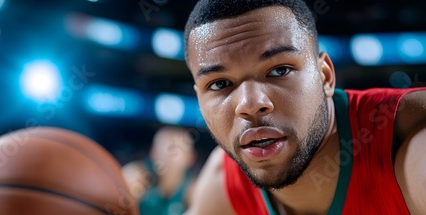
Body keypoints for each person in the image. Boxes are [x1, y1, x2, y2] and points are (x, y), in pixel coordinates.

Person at [182, 0, 426, 214]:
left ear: (326, 76)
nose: (250, 104)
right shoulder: (224, 181)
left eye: (279, 71)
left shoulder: (413, 147)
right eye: (219, 84)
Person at [122, 126, 197, 215]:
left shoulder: (193, 188)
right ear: (153, 152)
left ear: (191, 157)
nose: (171, 155)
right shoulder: (136, 174)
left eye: (177, 148)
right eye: (166, 148)